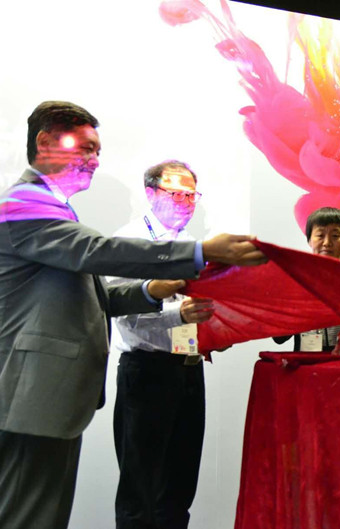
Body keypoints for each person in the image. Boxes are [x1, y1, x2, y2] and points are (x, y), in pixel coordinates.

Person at [0, 101, 266, 529]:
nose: (96, 161)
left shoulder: (54, 207)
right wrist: (199, 252)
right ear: (44, 142)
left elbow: (99, 297)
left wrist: (152, 291)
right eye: (85, 148)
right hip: (30, 395)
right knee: (26, 519)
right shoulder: (25, 204)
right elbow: (97, 251)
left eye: (98, 151)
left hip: (48, 397)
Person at [111, 160, 212, 529]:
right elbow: (124, 312)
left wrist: (214, 332)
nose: (186, 203)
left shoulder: (191, 247)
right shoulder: (128, 241)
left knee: (179, 490)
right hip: (147, 372)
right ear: (151, 194)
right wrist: (179, 315)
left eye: (192, 195)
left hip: (189, 368)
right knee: (140, 493)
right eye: (176, 194)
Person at [274, 206, 340, 352]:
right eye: (320, 235)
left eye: (335, 236)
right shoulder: (295, 281)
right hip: (306, 362)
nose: (327, 242)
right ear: (309, 240)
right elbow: (279, 337)